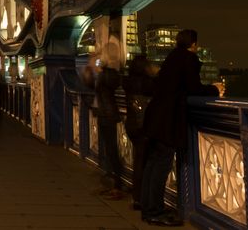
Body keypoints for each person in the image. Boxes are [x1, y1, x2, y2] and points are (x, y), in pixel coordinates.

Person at [139, 29, 220, 226]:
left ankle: (147, 207)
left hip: (155, 117)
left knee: (152, 163)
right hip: (168, 120)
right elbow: (194, 88)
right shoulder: (188, 58)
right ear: (193, 44)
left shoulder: (171, 58)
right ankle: (155, 212)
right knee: (161, 165)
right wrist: (215, 89)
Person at [123, 54, 157, 209]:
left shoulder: (127, 82)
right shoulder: (148, 84)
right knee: (145, 162)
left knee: (139, 160)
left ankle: (137, 196)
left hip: (131, 125)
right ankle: (142, 198)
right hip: (144, 126)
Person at [94, 43, 125, 200]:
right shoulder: (110, 73)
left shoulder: (109, 73)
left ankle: (116, 184)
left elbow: (101, 87)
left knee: (111, 150)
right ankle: (112, 182)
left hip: (107, 114)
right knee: (109, 149)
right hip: (106, 113)